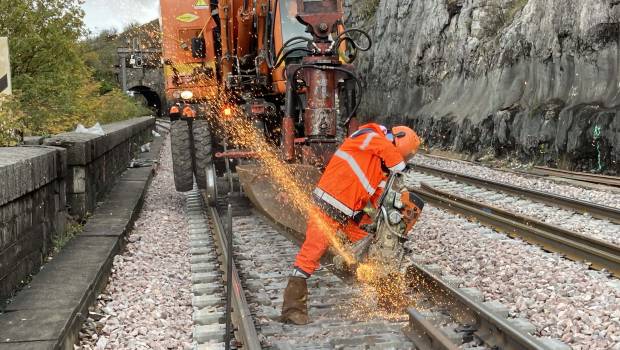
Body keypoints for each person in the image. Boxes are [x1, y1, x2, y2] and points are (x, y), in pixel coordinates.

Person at [280, 123, 421, 325]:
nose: (398, 161)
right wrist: (400, 165)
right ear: (395, 142)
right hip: (326, 209)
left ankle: (389, 299)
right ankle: (292, 309)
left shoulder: (379, 166)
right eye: (401, 156)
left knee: (379, 248)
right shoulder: (368, 135)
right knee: (310, 255)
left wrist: (386, 217)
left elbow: (377, 197)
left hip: (350, 216)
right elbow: (383, 147)